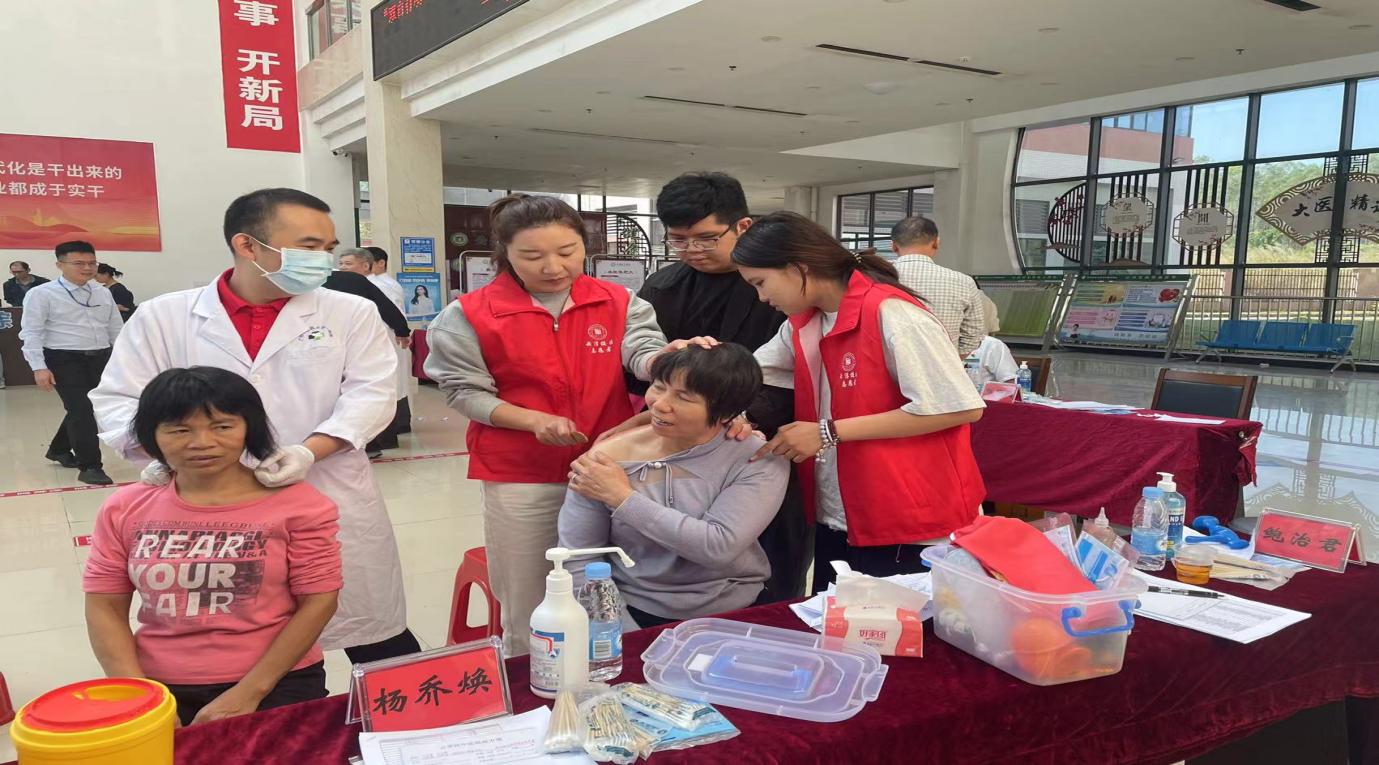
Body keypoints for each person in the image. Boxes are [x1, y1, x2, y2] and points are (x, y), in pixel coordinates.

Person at [90, 187, 419, 665]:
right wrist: (166, 455)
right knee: (247, 644)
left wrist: (308, 452)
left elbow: (372, 393)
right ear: (247, 245)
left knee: (368, 628)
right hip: (208, 505)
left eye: (328, 248)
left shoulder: (350, 312)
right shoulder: (164, 316)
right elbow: (119, 400)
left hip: (326, 487)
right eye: (309, 247)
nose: (323, 261)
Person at [423, 194, 704, 656]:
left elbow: (640, 352)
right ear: (505, 252)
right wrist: (532, 420)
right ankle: (530, 679)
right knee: (531, 598)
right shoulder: (468, 315)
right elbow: (464, 391)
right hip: (523, 474)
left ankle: (606, 675)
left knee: (611, 587)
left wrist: (666, 360)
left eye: (567, 252)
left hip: (610, 468)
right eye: (532, 256)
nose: (553, 267)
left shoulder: (618, 301)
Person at [737, 212, 987, 592]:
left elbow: (960, 407)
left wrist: (827, 432)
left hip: (907, 516)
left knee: (897, 623)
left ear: (798, 267)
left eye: (760, 282)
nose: (761, 297)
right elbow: (753, 374)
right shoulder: (804, 322)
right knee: (836, 620)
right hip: (841, 511)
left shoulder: (893, 314)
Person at [84, 366, 341, 727]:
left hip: (277, 679)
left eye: (222, 426)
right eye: (179, 430)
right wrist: (141, 696)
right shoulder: (125, 507)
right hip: (159, 681)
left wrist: (249, 692)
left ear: (249, 428)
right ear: (151, 434)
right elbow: (104, 607)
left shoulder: (300, 505)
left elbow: (319, 601)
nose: (201, 442)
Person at [625, 171, 810, 603]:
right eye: (679, 240)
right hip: (680, 448)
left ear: (742, 225)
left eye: (706, 239)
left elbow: (797, 372)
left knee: (774, 567)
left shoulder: (779, 287)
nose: (692, 250)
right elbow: (637, 369)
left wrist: (744, 414)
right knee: (679, 551)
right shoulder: (662, 288)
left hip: (760, 444)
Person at [559, 344, 788, 628]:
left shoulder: (757, 459)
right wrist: (618, 631)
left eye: (683, 397)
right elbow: (579, 558)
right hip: (631, 608)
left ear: (727, 412)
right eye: (658, 386)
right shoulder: (604, 461)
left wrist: (622, 498)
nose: (659, 404)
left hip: (733, 608)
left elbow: (718, 546)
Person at [19, 241, 123, 485]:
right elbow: (31, 332)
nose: (87, 268)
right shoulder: (42, 294)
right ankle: (90, 467)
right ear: (60, 265)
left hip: (100, 356)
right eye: (79, 263)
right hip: (63, 359)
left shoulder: (102, 292)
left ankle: (59, 449)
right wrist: (39, 367)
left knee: (88, 407)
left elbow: (115, 327)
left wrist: (123, 358)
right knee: (82, 410)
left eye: (91, 263)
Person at [330, 247, 412, 457]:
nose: (343, 268)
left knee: (367, 392)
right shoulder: (356, 282)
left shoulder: (376, 284)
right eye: (341, 264)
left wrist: (402, 331)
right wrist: (402, 330)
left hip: (371, 345)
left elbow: (390, 311)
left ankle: (373, 442)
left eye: (348, 264)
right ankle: (371, 443)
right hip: (356, 345)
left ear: (366, 265)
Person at [890, 216, 984, 358]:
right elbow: (973, 336)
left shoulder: (872, 277)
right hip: (945, 366)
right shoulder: (964, 282)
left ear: (893, 246)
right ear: (936, 243)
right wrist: (948, 362)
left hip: (883, 368)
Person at [364, 246, 412, 437]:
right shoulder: (386, 283)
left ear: (381, 263)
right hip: (392, 338)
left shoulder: (380, 284)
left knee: (393, 381)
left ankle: (397, 424)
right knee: (397, 381)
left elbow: (389, 313)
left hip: (390, 338)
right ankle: (401, 422)